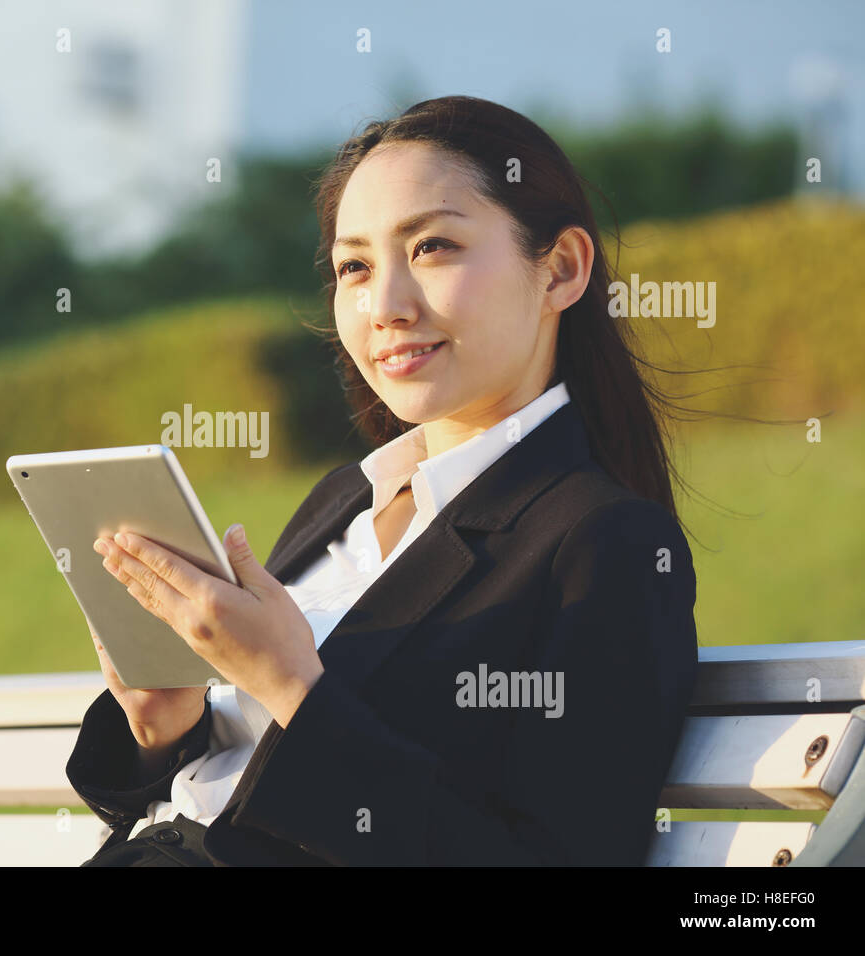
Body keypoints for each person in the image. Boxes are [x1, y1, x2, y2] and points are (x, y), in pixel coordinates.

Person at [66, 95, 699, 866]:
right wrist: (168, 727)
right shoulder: (343, 501)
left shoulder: (604, 541)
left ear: (561, 269)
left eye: (432, 248)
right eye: (355, 267)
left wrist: (292, 686)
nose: (386, 307)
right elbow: (217, 787)